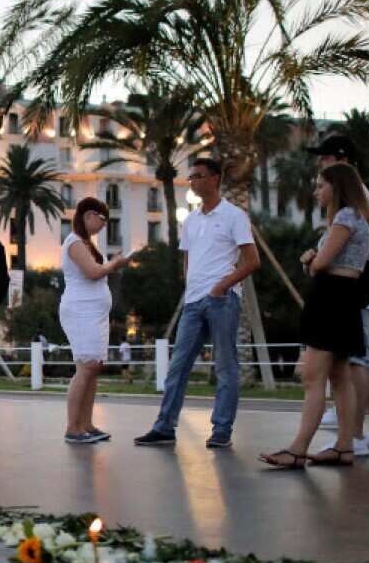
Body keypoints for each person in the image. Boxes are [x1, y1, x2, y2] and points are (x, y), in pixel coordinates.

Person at [135, 159, 260, 448]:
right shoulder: (190, 220)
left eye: (198, 176)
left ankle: (222, 431)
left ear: (215, 179)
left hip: (223, 300)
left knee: (226, 367)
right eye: (190, 177)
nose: (193, 181)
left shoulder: (234, 216)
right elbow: (188, 258)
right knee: (178, 366)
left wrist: (221, 286)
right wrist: (191, 286)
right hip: (193, 302)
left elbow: (253, 261)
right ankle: (164, 427)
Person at [260, 163, 369, 467]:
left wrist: (311, 258)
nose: (316, 191)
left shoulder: (345, 216)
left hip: (330, 298)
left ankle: (298, 449)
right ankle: (344, 446)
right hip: (345, 298)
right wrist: (314, 260)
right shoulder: (360, 218)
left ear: (336, 187)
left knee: (313, 378)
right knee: (339, 376)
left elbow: (321, 263)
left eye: (321, 185)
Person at [310, 136, 369, 455]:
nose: (321, 164)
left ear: (341, 160)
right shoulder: (362, 197)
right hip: (368, 279)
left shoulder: (352, 204)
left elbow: (338, 252)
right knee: (364, 360)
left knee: (354, 362)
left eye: (325, 158)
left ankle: (355, 437)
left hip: (357, 281)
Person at [59, 197, 130, 444]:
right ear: (88, 215)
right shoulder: (75, 242)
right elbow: (93, 272)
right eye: (102, 220)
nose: (104, 225)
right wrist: (115, 263)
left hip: (94, 313)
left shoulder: (86, 243)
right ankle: (72, 427)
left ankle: (86, 424)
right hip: (80, 311)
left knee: (93, 367)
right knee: (86, 365)